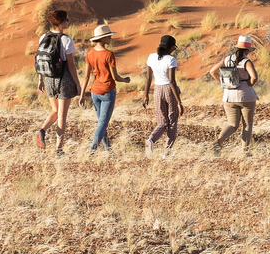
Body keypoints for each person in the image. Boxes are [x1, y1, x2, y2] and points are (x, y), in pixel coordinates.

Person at [79, 23, 131, 152]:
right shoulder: (109, 54)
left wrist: (81, 96)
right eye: (108, 36)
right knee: (103, 123)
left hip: (94, 91)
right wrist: (125, 80)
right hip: (107, 91)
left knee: (101, 123)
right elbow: (115, 76)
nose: (110, 38)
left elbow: (86, 77)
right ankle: (93, 149)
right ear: (102, 38)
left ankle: (109, 150)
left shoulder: (90, 53)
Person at [34, 9, 78, 154]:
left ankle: (42, 130)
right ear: (60, 22)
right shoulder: (66, 40)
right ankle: (59, 149)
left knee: (55, 110)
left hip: (48, 79)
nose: (69, 21)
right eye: (66, 19)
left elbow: (40, 59)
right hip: (63, 79)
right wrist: (78, 84)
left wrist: (40, 79)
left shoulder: (43, 37)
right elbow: (71, 66)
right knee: (62, 116)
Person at [210, 34, 260, 153]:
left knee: (232, 124)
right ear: (248, 50)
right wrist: (250, 84)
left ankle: (219, 141)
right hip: (245, 96)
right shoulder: (246, 61)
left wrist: (224, 84)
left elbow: (212, 72)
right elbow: (254, 77)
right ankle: (245, 152)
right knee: (247, 125)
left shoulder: (227, 59)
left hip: (229, 96)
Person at [142, 34, 184, 155]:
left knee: (162, 122)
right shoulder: (171, 59)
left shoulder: (151, 57)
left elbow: (148, 78)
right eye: (174, 47)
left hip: (157, 90)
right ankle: (167, 152)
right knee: (172, 121)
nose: (174, 50)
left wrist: (146, 95)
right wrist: (179, 102)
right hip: (169, 90)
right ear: (170, 47)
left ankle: (151, 139)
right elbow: (172, 82)